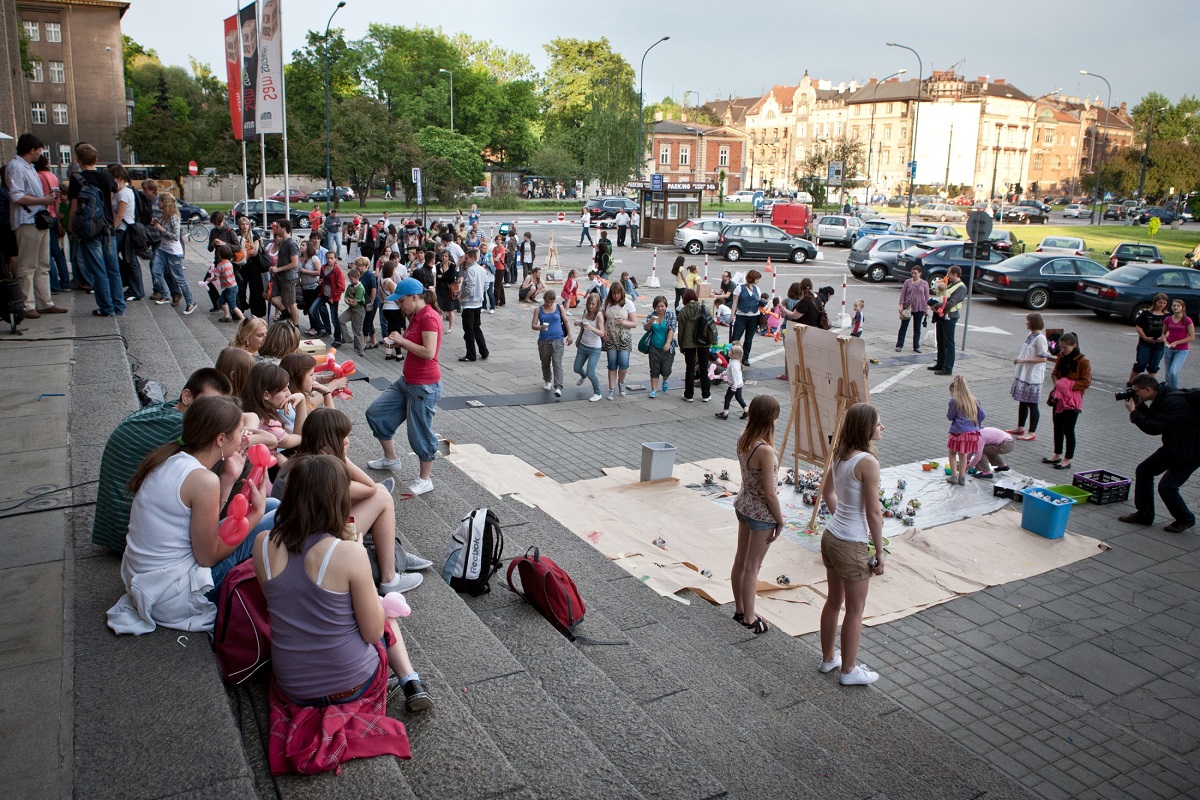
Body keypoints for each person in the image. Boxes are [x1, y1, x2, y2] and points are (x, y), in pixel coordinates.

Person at [253, 455, 426, 777]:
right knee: (387, 614)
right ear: (336, 498)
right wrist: (355, 555)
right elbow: (373, 633)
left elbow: (279, 605)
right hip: (351, 683)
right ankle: (410, 679)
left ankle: (409, 680)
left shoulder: (262, 543)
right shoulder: (348, 552)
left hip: (293, 686)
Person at [106, 396, 269, 635]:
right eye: (239, 432)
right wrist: (256, 514)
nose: (244, 437)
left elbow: (205, 527)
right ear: (221, 439)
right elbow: (207, 557)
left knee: (274, 503)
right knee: (272, 519)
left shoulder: (168, 459)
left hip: (149, 580)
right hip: (173, 595)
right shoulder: (202, 480)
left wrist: (228, 479)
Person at [272, 408, 428, 591]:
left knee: (376, 492)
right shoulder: (320, 472)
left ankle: (391, 553)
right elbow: (369, 488)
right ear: (324, 444)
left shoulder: (300, 461)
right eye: (342, 437)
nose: (347, 441)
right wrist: (344, 458)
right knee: (382, 496)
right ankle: (389, 579)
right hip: (315, 546)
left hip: (301, 536)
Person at [92, 369, 235, 553]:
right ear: (186, 397)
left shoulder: (169, 409)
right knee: (223, 457)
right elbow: (232, 443)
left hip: (120, 527)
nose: (214, 412)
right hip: (128, 536)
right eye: (210, 403)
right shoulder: (179, 425)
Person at [819, 402, 887, 686]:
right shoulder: (867, 462)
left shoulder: (840, 454)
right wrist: (879, 551)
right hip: (851, 543)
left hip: (831, 536)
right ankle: (848, 671)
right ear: (865, 428)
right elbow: (874, 512)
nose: (882, 426)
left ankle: (828, 659)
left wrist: (842, 517)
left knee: (834, 601)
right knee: (855, 610)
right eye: (878, 422)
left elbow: (827, 492)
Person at [367, 278, 443, 496]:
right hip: (408, 381)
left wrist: (401, 341)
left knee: (419, 433)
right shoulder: (416, 315)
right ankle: (391, 460)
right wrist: (396, 341)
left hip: (424, 385)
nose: (400, 306)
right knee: (376, 412)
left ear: (414, 297)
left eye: (401, 301)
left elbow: (429, 353)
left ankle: (425, 479)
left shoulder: (428, 316)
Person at [731, 395, 784, 635]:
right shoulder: (766, 450)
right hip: (761, 513)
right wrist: (780, 519)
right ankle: (750, 619)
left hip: (743, 504)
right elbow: (771, 495)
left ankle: (740, 610)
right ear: (772, 416)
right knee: (753, 567)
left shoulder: (744, 437)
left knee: (740, 561)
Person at [1121, 374, 1200, 533]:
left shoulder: (1173, 402)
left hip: (1191, 452)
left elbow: (1154, 427)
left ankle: (1185, 519)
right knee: (1144, 470)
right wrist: (1140, 406)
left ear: (1148, 389)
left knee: (1167, 487)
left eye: (1137, 392)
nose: (1135, 394)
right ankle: (1144, 515)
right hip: (1175, 446)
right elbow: (1154, 416)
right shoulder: (1163, 395)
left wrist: (1134, 413)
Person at [7, 134, 65, 317]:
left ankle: (44, 301)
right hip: (27, 220)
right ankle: (27, 304)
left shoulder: (30, 167)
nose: (41, 154)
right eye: (39, 150)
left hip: (38, 220)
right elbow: (16, 196)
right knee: (28, 265)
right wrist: (43, 199)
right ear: (31, 150)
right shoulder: (16, 167)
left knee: (42, 264)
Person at [68, 143, 124, 317]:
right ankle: (118, 306)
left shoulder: (76, 179)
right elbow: (115, 192)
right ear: (96, 159)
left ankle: (106, 308)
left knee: (98, 270)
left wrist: (71, 227)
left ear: (78, 160)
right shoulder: (106, 177)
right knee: (113, 269)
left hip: (89, 230)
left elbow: (74, 207)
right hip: (107, 228)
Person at [1045, 332, 1091, 471]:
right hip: (1059, 396)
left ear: (1074, 345)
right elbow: (1054, 373)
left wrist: (1067, 386)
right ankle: (1057, 454)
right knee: (1057, 426)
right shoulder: (1061, 356)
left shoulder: (1083, 361)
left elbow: (1086, 382)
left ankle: (1067, 458)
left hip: (1073, 399)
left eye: (1065, 348)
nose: (1062, 350)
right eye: (1061, 347)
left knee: (1068, 429)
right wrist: (1058, 384)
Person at [1007, 312, 1052, 442]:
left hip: (1033, 375)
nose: (1026, 323)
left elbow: (1043, 358)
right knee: (1023, 401)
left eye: (1028, 321)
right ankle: (1020, 426)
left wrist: (1023, 360)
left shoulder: (1040, 338)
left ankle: (1031, 432)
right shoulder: (1031, 335)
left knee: (1032, 403)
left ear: (1033, 322)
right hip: (1025, 373)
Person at [151, 193, 196, 313]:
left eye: (159, 201)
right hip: (162, 249)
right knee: (156, 271)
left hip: (174, 252)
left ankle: (190, 302)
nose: (157, 204)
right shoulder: (164, 215)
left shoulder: (174, 217)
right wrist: (157, 223)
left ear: (164, 203)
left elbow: (175, 236)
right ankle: (165, 295)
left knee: (179, 278)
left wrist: (161, 229)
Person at [33, 153, 69, 295]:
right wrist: (57, 217)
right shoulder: (53, 176)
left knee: (46, 254)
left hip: (43, 217)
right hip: (53, 215)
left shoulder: (39, 177)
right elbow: (57, 199)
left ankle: (54, 285)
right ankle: (65, 282)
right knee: (57, 252)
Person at [928, 266, 967, 376]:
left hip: (950, 316)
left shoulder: (961, 287)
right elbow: (944, 296)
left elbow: (951, 303)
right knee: (940, 341)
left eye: (949, 274)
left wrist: (936, 305)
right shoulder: (950, 284)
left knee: (948, 343)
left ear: (955, 274)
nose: (947, 275)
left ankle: (948, 368)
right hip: (942, 315)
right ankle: (940, 363)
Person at [602, 281, 637, 400]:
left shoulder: (628, 303)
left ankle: (621, 382)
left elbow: (634, 323)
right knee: (612, 364)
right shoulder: (606, 303)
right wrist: (603, 331)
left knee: (624, 363)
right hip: (610, 336)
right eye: (614, 293)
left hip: (624, 337)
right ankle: (611, 389)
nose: (616, 296)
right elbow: (601, 318)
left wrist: (623, 322)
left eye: (618, 293)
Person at [946, 375, 984, 485]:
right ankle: (962, 477)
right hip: (972, 432)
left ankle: (954, 476)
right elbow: (982, 415)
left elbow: (950, 416)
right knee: (963, 454)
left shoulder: (955, 401)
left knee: (952, 453)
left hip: (959, 432)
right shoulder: (975, 400)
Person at [676, 288, 712, 404]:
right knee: (703, 368)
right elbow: (711, 325)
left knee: (690, 369)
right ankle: (706, 394)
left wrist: (681, 346)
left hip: (688, 342)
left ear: (685, 298)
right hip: (704, 342)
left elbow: (681, 331)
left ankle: (689, 394)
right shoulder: (704, 308)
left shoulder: (683, 311)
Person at [533, 289, 572, 396]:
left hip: (558, 339)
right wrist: (540, 327)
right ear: (544, 299)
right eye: (547, 301)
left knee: (557, 363)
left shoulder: (559, 307)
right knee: (545, 362)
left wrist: (570, 335)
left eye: (552, 301)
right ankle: (547, 379)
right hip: (544, 340)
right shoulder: (538, 309)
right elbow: (533, 325)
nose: (550, 304)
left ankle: (558, 386)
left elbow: (566, 321)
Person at [1129, 293, 1170, 386]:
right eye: (1160, 302)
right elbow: (1139, 326)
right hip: (1145, 343)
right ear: (1155, 302)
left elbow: (1169, 329)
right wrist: (1145, 337)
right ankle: (1130, 383)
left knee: (1153, 366)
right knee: (1141, 364)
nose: (1162, 305)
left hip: (1159, 344)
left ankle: (1148, 385)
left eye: (1164, 303)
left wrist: (1163, 337)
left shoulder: (1167, 316)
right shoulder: (1146, 313)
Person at [458, 248, 489, 362]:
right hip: (478, 303)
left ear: (472, 258)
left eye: (466, 259)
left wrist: (461, 297)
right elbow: (486, 284)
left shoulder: (471, 270)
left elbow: (469, 287)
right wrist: (480, 293)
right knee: (476, 328)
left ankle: (471, 354)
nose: (464, 261)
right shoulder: (481, 269)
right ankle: (484, 351)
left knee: (469, 330)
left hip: (469, 304)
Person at [269, 218, 302, 325]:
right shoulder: (282, 242)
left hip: (289, 278)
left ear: (283, 229)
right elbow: (282, 259)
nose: (275, 229)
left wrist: (278, 269)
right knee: (268, 294)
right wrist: (275, 266)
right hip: (280, 276)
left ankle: (296, 326)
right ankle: (285, 313)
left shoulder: (291, 244)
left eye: (277, 227)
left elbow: (294, 263)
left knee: (291, 303)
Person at [573, 292, 604, 402]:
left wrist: (592, 328)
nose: (591, 306)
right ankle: (583, 375)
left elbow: (602, 333)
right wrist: (579, 323)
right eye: (589, 304)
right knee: (576, 368)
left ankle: (598, 393)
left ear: (597, 304)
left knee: (591, 372)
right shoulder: (585, 312)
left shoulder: (599, 316)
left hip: (594, 348)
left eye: (593, 304)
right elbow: (584, 323)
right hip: (583, 345)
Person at [642, 295, 676, 398]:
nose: (660, 308)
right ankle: (654, 390)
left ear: (665, 306)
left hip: (667, 348)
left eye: (662, 306)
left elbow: (671, 329)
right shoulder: (651, 315)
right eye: (657, 306)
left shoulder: (670, 315)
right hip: (653, 346)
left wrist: (668, 343)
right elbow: (646, 328)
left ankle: (665, 380)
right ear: (654, 307)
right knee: (654, 369)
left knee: (666, 370)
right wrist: (650, 322)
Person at [729, 270, 764, 364]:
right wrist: (732, 315)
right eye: (757, 279)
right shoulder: (739, 288)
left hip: (754, 316)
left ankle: (745, 358)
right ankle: (732, 355)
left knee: (749, 339)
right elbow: (735, 302)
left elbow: (759, 301)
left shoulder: (757, 289)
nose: (758, 281)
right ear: (752, 278)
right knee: (735, 338)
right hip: (741, 315)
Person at [895, 266, 930, 353]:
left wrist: (927, 307)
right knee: (903, 327)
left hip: (919, 307)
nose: (914, 275)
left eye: (915, 273)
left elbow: (927, 296)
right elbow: (903, 294)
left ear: (920, 273)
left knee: (917, 328)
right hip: (908, 307)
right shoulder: (908, 282)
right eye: (913, 273)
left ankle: (916, 346)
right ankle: (899, 345)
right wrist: (901, 305)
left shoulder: (924, 283)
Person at [1162, 298, 1194, 389]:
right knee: (1168, 373)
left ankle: (1175, 392)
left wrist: (1176, 342)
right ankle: (1168, 391)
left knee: (1173, 372)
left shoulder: (1187, 320)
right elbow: (1163, 333)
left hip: (1181, 350)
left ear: (1183, 308)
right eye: (1174, 305)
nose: (1175, 307)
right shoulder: (1168, 319)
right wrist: (1165, 341)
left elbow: (1191, 336)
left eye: (1178, 306)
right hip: (1169, 348)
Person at [339, 268, 368, 355]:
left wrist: (350, 301)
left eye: (351, 279)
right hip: (351, 309)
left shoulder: (360, 288)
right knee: (341, 320)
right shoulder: (350, 286)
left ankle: (360, 349)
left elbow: (354, 303)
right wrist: (349, 301)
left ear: (357, 278)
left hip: (358, 311)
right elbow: (346, 297)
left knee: (357, 330)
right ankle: (347, 338)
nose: (350, 281)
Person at [715, 344, 748, 419]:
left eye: (730, 351)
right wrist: (723, 374)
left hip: (734, 385)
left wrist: (734, 387)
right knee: (739, 397)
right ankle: (746, 410)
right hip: (738, 384)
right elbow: (728, 371)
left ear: (734, 355)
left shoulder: (734, 365)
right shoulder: (734, 362)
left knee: (727, 398)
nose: (728, 351)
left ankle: (725, 413)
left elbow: (735, 377)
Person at [213, 243, 244, 323]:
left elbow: (216, 277)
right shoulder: (229, 263)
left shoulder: (220, 265)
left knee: (233, 306)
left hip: (229, 288)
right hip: (233, 286)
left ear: (219, 255)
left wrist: (210, 279)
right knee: (221, 300)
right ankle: (227, 316)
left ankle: (243, 320)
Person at [435, 250, 460, 332]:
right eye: (443, 256)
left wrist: (441, 277)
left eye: (446, 256)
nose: (444, 258)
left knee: (450, 309)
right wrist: (441, 278)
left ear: (449, 257)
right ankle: (440, 327)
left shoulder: (452, 265)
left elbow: (452, 279)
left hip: (449, 289)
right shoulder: (438, 265)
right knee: (440, 309)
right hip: (440, 289)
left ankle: (451, 327)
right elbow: (436, 277)